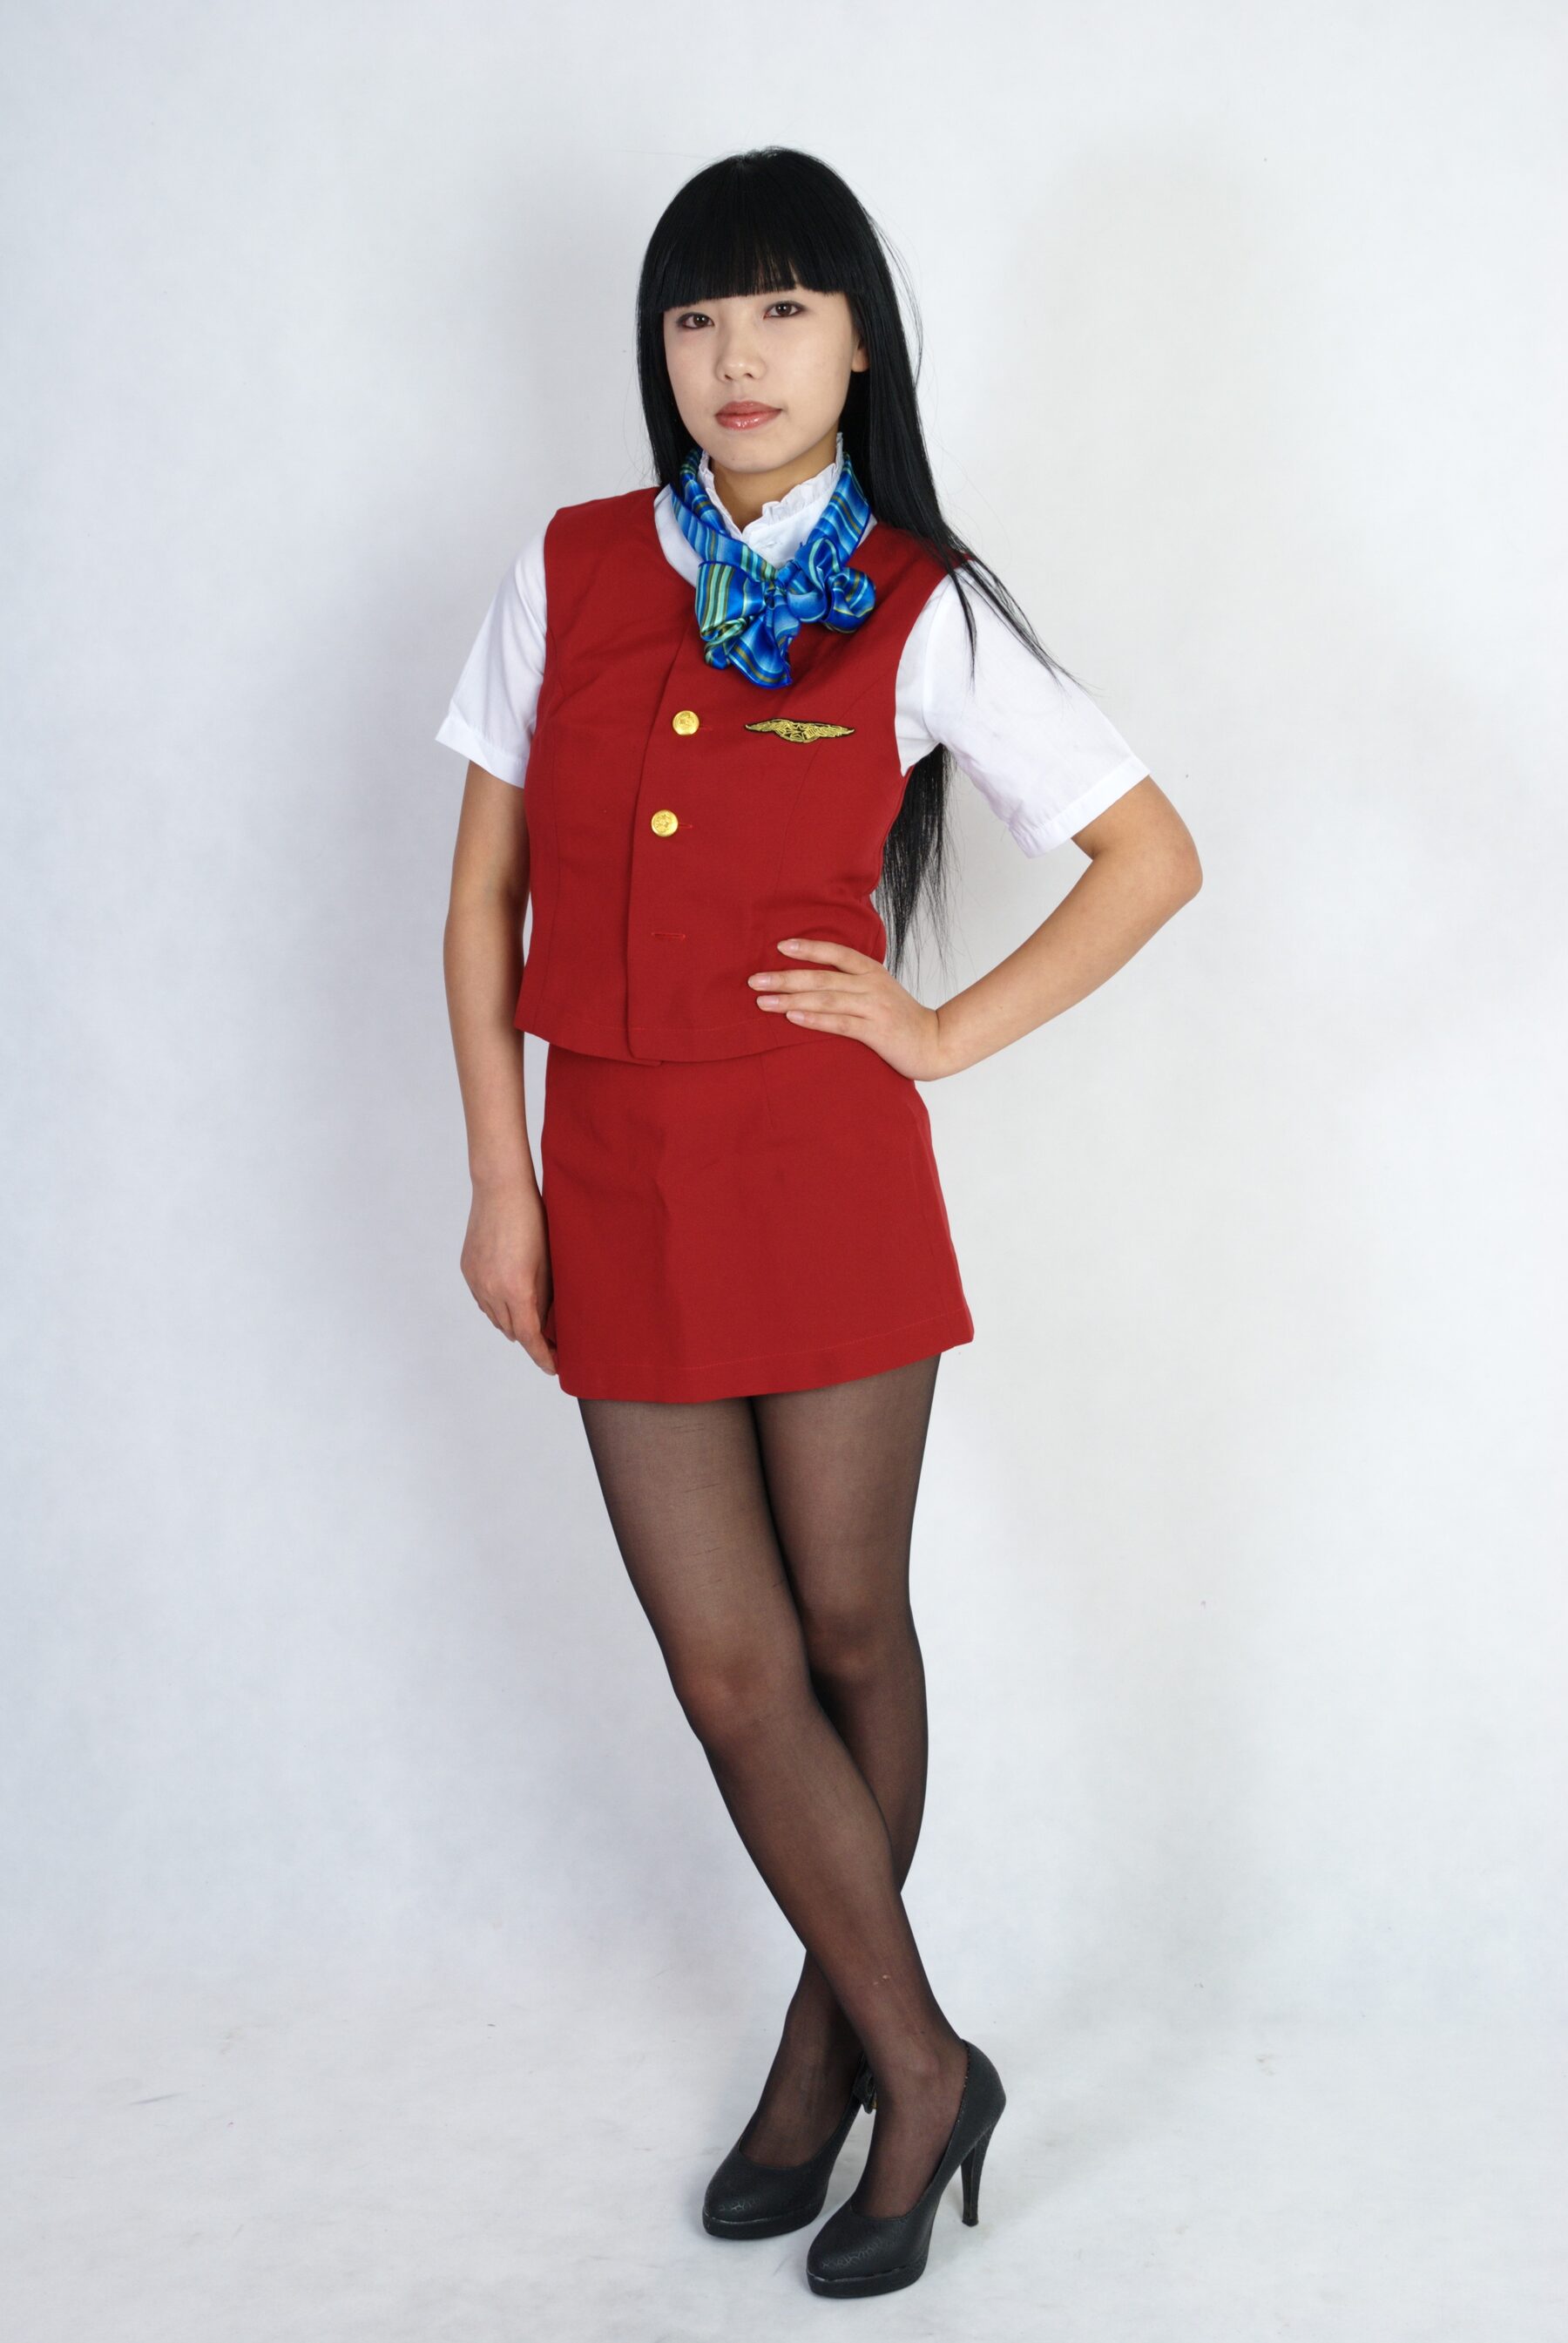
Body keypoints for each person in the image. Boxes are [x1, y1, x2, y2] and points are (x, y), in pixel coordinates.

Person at [436, 146, 1201, 2300]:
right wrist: (501, 1180)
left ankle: (838, 2059)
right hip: (614, 1177)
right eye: (695, 316)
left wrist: (941, 1031)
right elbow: (480, 906)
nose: (736, 355)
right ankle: (922, 2052)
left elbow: (1152, 856)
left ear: (861, 341)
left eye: (781, 308)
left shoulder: (921, 601)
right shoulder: (571, 568)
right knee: (729, 1664)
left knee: (849, 1633)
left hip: (823, 1170)